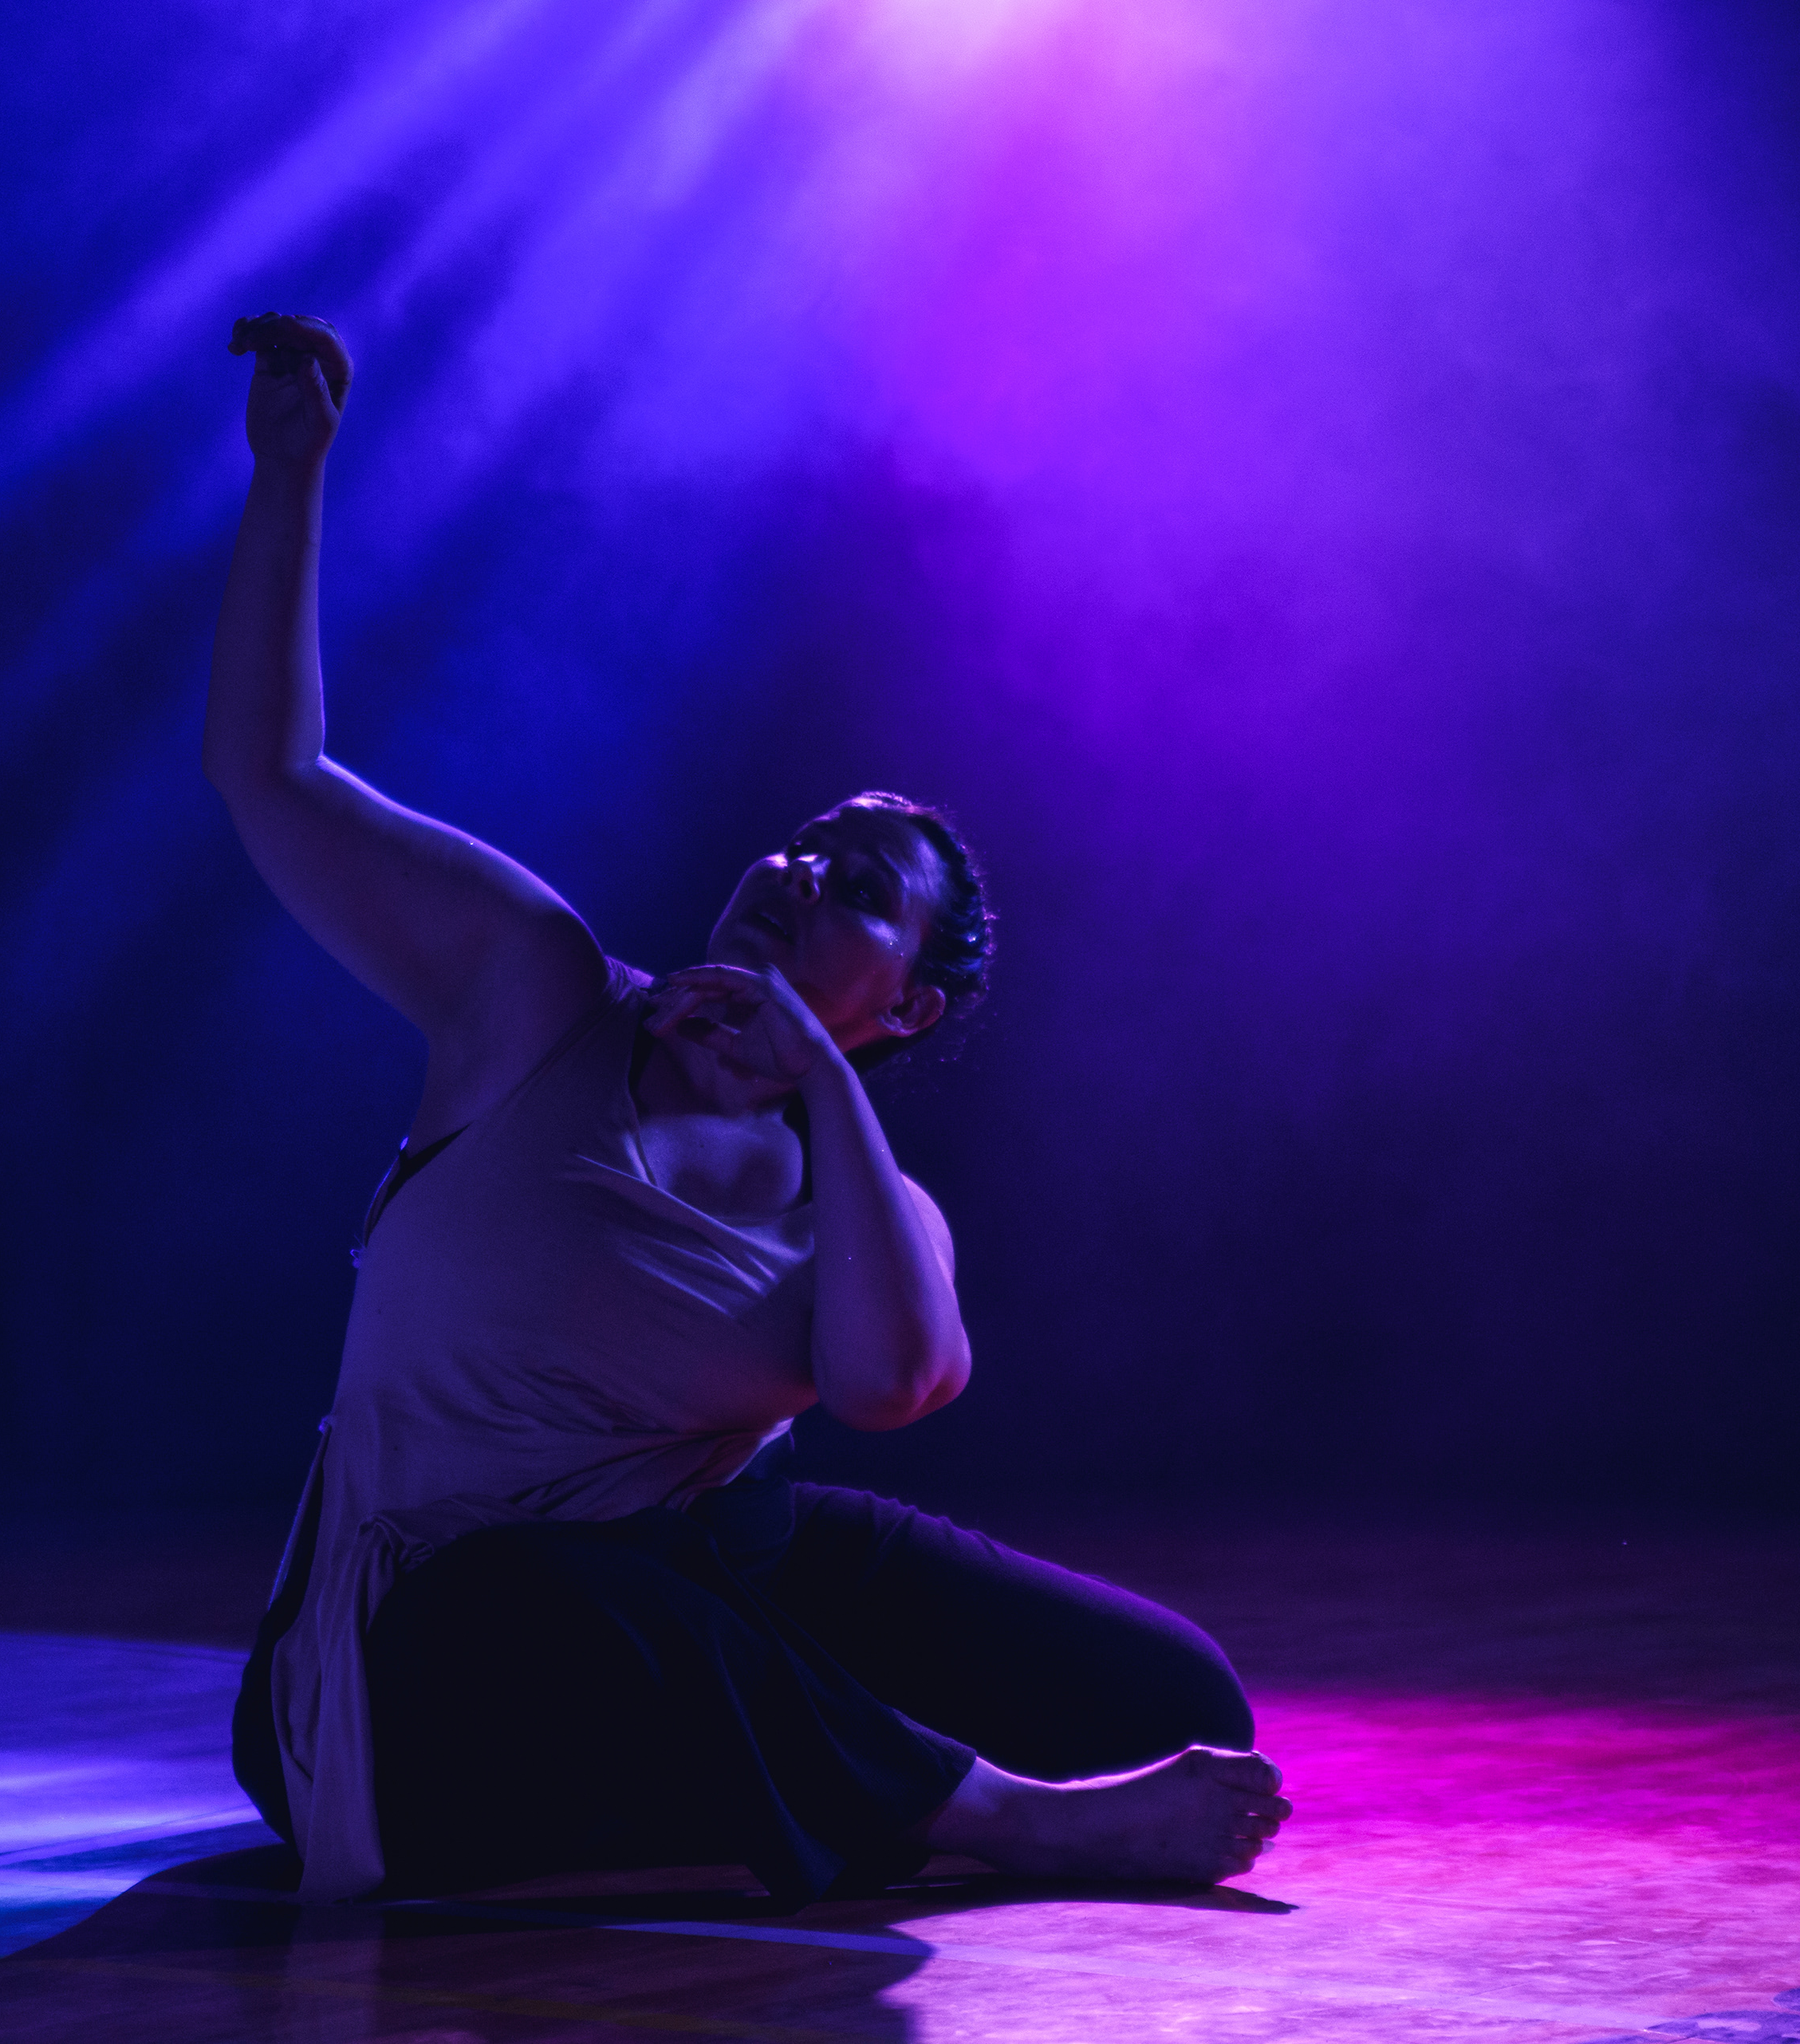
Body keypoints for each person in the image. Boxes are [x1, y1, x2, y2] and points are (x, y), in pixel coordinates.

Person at [208, 313, 1289, 1907]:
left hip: (692, 1570)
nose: (796, 872)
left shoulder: (865, 1204)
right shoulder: (539, 993)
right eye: (801, 846)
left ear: (907, 1010)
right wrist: (291, 471)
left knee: (1173, 1696)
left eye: (856, 888)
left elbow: (890, 1380)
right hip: (408, 1659)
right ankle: (1008, 1817)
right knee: (566, 1604)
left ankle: (772, 1772)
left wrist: (821, 1078)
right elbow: (271, 775)